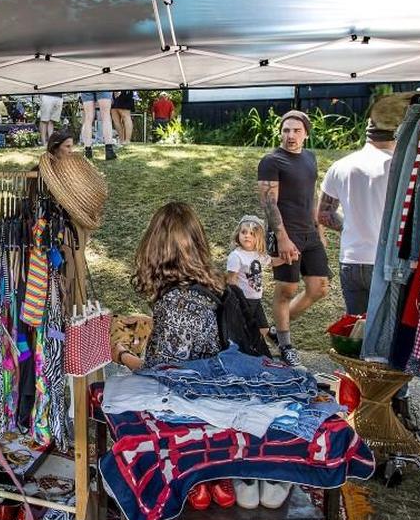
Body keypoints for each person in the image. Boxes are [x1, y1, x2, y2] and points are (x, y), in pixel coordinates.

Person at [317, 95, 408, 315]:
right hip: (385, 260)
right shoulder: (399, 168)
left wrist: (350, 226)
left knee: (357, 328)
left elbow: (323, 214)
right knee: (385, 332)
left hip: (351, 258)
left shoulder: (340, 166)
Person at [257, 110, 329, 367]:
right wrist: (283, 238)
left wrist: (318, 226)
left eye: (296, 131)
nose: (290, 135)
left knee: (319, 288)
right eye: (286, 130)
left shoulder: (310, 157)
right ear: (280, 132)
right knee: (287, 290)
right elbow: (269, 204)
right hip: (284, 234)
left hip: (309, 233)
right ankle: (286, 345)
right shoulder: (271, 161)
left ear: (306, 134)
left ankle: (277, 331)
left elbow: (310, 195)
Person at [118, 202, 225, 368]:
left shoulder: (176, 304)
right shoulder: (207, 284)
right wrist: (151, 321)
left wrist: (121, 355)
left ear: (155, 250)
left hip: (195, 391)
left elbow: (162, 375)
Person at [225, 215, 282, 343]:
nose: (247, 236)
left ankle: (262, 345)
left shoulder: (258, 254)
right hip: (243, 300)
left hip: (256, 299)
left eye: (252, 234)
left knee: (263, 328)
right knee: (244, 328)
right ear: (237, 235)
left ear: (259, 238)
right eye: (243, 232)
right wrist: (236, 300)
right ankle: (245, 348)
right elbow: (231, 280)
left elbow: (272, 262)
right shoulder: (236, 256)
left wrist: (286, 258)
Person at [79, 91, 116, 161]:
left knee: (88, 118)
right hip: (103, 84)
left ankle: (87, 150)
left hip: (87, 85)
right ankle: (109, 150)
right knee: (106, 116)